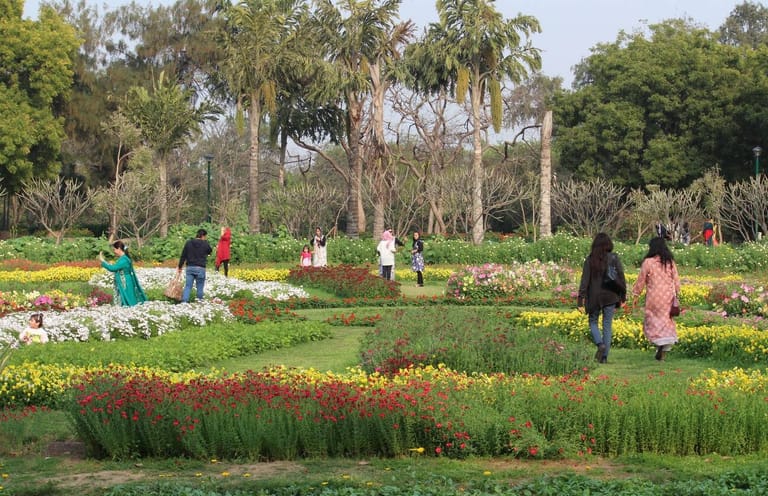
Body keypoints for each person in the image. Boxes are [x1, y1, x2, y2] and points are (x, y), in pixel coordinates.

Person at [577, 232, 626, 364]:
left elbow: (584, 281)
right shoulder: (614, 258)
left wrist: (580, 299)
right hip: (611, 296)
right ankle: (604, 357)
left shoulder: (590, 260)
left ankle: (600, 344)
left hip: (594, 296)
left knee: (593, 322)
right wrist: (623, 296)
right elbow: (620, 277)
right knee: (607, 326)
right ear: (609, 244)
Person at [632, 237, 681, 361]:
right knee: (666, 322)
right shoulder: (669, 262)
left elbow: (641, 280)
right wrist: (677, 294)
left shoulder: (648, 262)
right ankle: (663, 351)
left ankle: (658, 343)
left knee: (653, 320)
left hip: (653, 297)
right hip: (667, 297)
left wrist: (636, 294)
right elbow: (676, 280)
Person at [99, 240, 147, 306]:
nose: (114, 251)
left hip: (125, 282)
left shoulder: (124, 260)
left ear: (118, 249)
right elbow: (115, 267)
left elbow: (113, 268)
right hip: (125, 280)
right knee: (127, 299)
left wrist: (103, 261)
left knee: (129, 300)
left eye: (114, 249)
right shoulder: (123, 258)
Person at [178, 228, 212, 303]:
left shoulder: (188, 243)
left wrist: (180, 267)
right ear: (203, 236)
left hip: (190, 267)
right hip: (200, 268)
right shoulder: (205, 243)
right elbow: (210, 251)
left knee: (188, 286)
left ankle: (184, 302)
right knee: (200, 287)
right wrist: (206, 242)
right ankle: (199, 303)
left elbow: (183, 256)